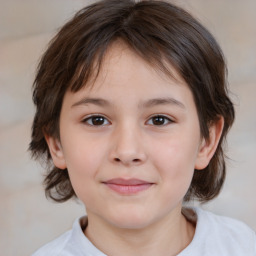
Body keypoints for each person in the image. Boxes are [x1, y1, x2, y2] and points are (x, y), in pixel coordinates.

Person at [29, 0, 256, 255]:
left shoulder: (244, 246)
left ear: (207, 140)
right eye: (96, 120)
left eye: (159, 120)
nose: (127, 151)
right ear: (56, 142)